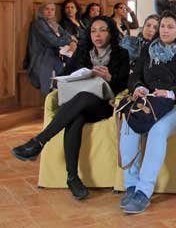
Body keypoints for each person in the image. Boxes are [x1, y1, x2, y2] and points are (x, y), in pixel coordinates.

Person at [12, 16, 129, 200]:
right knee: (75, 117)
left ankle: (38, 142)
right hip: (77, 105)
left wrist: (109, 78)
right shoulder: (82, 52)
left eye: (102, 30)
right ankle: (73, 178)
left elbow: (123, 85)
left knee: (82, 100)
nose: (97, 34)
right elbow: (62, 76)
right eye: (93, 31)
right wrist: (80, 75)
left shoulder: (121, 54)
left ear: (111, 32)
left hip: (102, 105)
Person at [119, 11, 176, 214]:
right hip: (151, 103)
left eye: (170, 27)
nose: (164, 30)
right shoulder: (148, 49)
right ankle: (131, 186)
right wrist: (139, 87)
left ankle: (143, 191)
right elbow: (134, 77)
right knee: (129, 123)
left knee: (158, 130)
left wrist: (171, 93)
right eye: (162, 26)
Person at [24, 2, 77, 95]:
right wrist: (70, 40)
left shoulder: (53, 23)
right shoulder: (38, 23)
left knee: (69, 68)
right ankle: (49, 100)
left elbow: (66, 34)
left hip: (55, 55)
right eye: (47, 9)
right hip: (42, 57)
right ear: (41, 11)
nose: (50, 12)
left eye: (52, 9)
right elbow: (53, 41)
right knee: (53, 74)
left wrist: (72, 41)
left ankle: (61, 99)